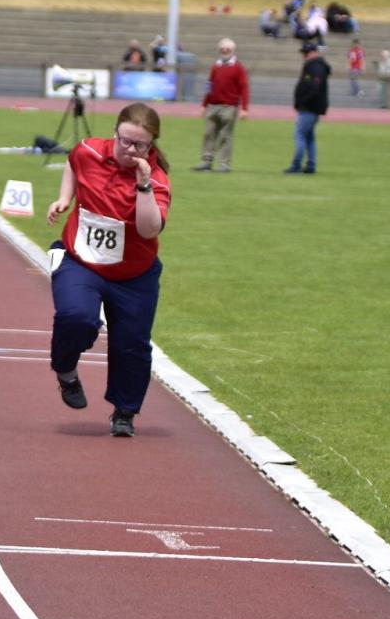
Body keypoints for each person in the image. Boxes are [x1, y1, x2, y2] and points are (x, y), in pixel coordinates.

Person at [44, 103, 173, 437]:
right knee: (77, 317)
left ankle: (125, 412)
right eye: (124, 141)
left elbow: (148, 230)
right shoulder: (89, 150)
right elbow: (73, 163)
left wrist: (142, 185)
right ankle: (66, 371)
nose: (130, 150)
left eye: (139, 145)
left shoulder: (156, 180)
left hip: (134, 275)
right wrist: (64, 198)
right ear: (115, 132)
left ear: (151, 145)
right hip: (81, 261)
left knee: (132, 345)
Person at [193, 38, 249, 173]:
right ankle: (206, 161)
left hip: (229, 106)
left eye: (227, 49)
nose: (224, 51)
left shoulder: (238, 68)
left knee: (225, 136)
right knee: (208, 134)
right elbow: (209, 87)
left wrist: (244, 108)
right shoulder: (215, 66)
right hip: (213, 105)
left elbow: (244, 88)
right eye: (222, 49)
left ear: (233, 51)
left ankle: (224, 164)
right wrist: (204, 105)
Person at [286, 43, 330, 174]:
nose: (304, 56)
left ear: (313, 52)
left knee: (299, 134)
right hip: (312, 106)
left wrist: (302, 101)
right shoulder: (316, 66)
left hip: (310, 107)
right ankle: (311, 165)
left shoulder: (315, 67)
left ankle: (296, 165)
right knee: (309, 136)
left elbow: (314, 88)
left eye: (306, 53)